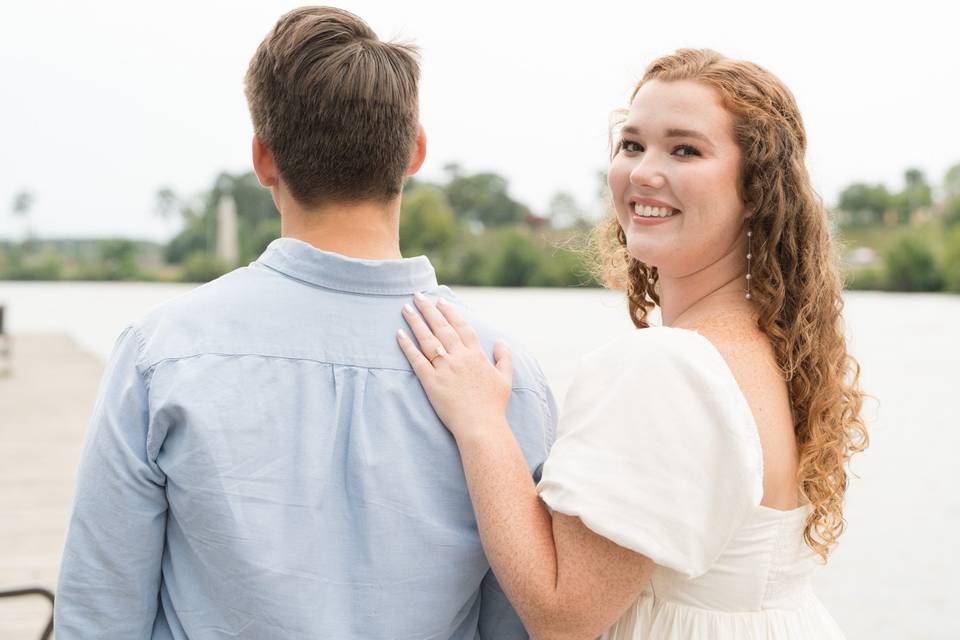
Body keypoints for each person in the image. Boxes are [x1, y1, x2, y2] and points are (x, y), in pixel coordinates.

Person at [54, 7, 556, 639]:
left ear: (263, 159)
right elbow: (518, 621)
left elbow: (100, 612)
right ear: (416, 151)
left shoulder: (163, 353)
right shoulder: (505, 374)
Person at [397, 48, 868, 639]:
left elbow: (562, 613)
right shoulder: (769, 351)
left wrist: (481, 424)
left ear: (756, 189)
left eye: (685, 149)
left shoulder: (668, 365)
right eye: (631, 144)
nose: (643, 172)